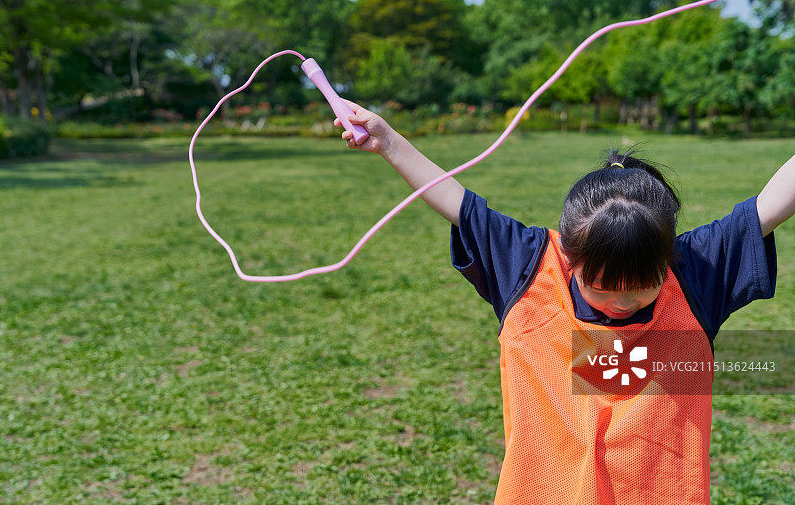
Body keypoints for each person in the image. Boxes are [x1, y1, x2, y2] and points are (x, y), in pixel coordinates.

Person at [335, 103, 795, 505]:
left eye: (643, 285)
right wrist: (388, 141)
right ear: (569, 257)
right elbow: (460, 205)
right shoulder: (529, 267)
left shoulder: (695, 274)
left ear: (670, 257)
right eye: (601, 286)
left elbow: (772, 203)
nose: (623, 301)